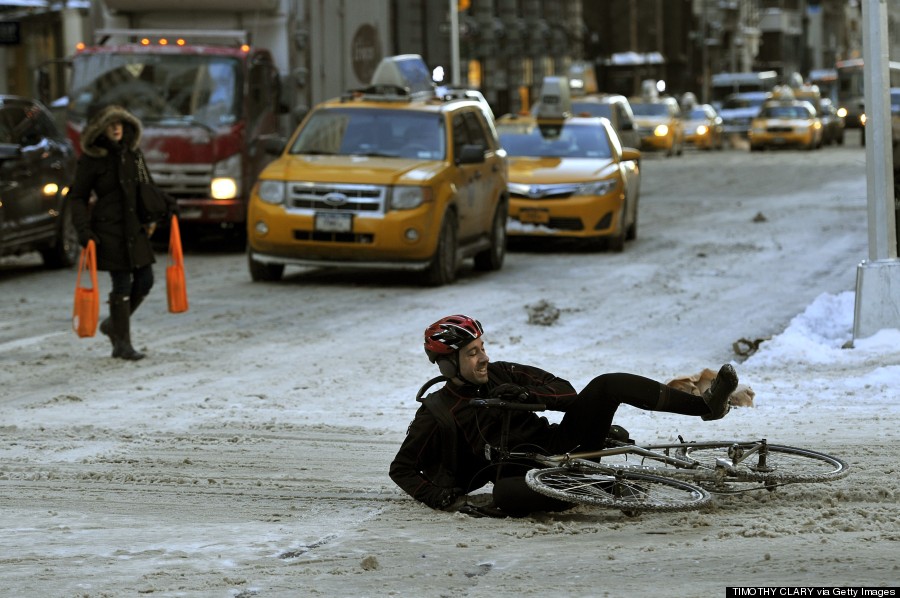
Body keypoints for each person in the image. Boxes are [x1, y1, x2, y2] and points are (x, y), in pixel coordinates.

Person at [389, 314, 740, 518]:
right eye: (471, 353)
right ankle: (600, 483)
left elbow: (568, 394)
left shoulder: (502, 372)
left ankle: (706, 407)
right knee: (506, 496)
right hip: (523, 474)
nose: (483, 358)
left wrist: (529, 396)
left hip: (564, 445)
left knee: (607, 384)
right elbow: (401, 468)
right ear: (449, 363)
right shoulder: (437, 411)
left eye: (482, 349)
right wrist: (442, 498)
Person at [69, 104, 174, 361]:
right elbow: (77, 197)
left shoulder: (134, 156)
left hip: (134, 228)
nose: (116, 128)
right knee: (122, 283)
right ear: (101, 129)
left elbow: (146, 185)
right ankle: (122, 344)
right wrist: (83, 230)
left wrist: (167, 205)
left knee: (145, 281)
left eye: (120, 124)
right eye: (110, 124)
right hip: (108, 229)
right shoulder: (93, 160)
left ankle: (113, 325)